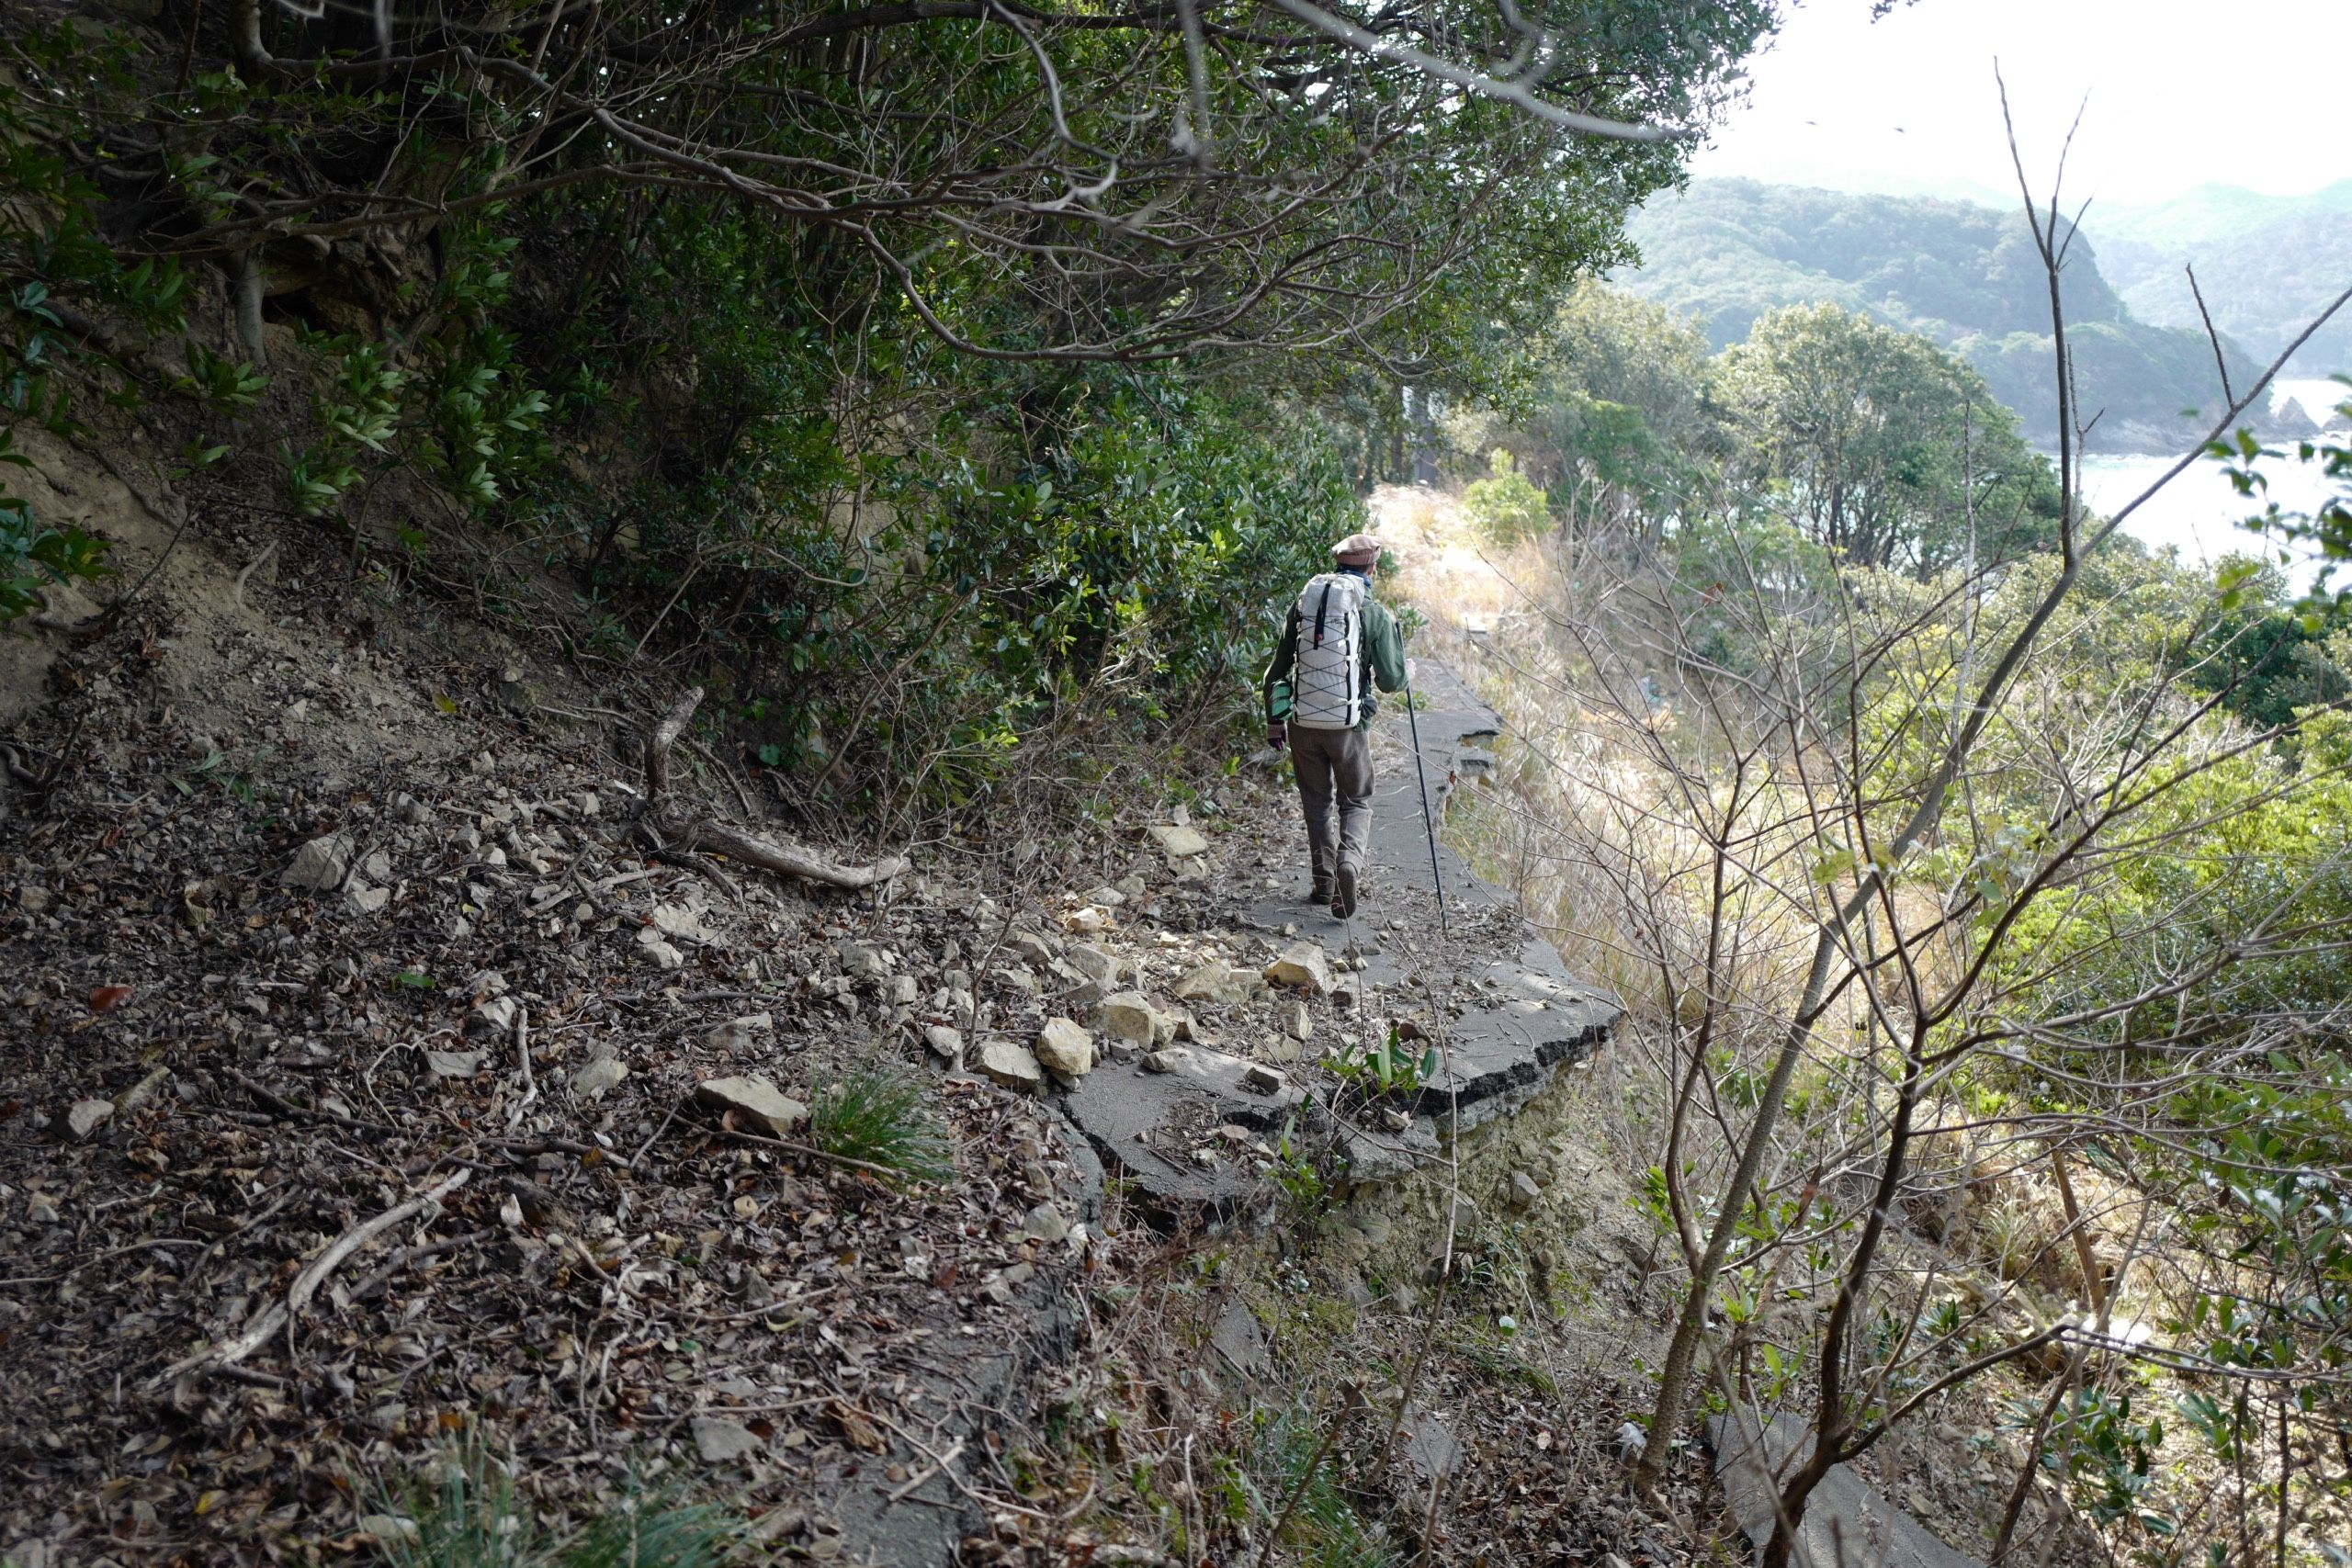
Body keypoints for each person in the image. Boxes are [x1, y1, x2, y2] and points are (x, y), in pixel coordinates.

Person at [1261, 532, 1408, 918]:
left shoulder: (1305, 605)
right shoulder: (1372, 612)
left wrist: (1274, 721)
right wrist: (1405, 667)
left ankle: (1324, 883)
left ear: (1337, 564)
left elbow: (1275, 671)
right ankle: (1349, 864)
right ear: (1372, 568)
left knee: (1316, 801)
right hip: (1347, 727)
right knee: (1356, 799)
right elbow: (1392, 681)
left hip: (1302, 724)